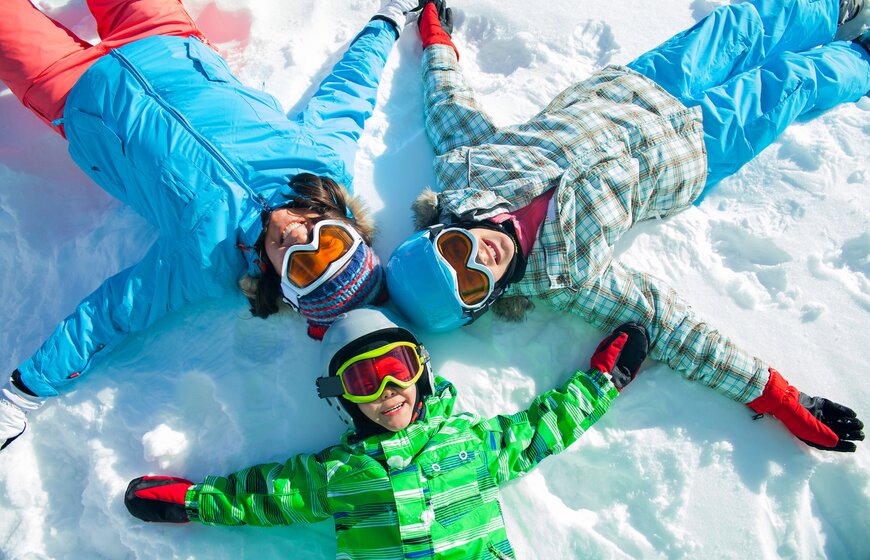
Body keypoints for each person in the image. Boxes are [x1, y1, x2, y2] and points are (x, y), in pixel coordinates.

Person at [386, 0, 868, 452]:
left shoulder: (470, 169)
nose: (479, 257)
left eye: (453, 249)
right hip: (693, 149)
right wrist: (780, 398)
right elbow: (674, 328)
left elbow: (446, 104)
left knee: (741, 28)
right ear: (485, 303)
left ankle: (835, 6)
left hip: (635, 86)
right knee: (789, 84)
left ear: (440, 227)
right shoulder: (569, 277)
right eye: (472, 282)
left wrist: (434, 37)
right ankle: (861, 57)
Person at [0, 0, 427, 452]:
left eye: (303, 266)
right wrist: (389, 18)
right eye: (330, 240)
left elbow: (111, 314)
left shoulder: (204, 261)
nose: (300, 237)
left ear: (279, 282)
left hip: (78, 96)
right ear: (344, 223)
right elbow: (351, 88)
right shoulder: (320, 160)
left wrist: (21, 393)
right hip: (163, 37)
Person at [123, 307, 649, 558]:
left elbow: (542, 429)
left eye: (396, 367)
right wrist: (193, 501)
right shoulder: (334, 474)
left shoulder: (471, 443)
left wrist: (603, 381)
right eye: (363, 380)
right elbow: (263, 497)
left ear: (420, 368)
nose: (388, 390)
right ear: (344, 398)